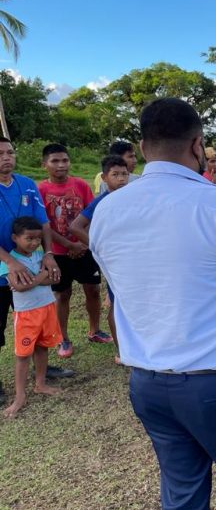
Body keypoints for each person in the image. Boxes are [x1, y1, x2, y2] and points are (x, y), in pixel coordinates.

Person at [91, 97, 216, 510]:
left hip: (148, 383)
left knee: (182, 500)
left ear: (142, 148)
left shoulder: (107, 210)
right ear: (197, 145)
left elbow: (120, 287)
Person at [0, 137, 69, 406]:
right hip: (6, 268)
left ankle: (41, 375)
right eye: (1, 153)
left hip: (32, 265)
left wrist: (49, 254)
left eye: (10, 152)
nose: (7, 157)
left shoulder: (27, 184)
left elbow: (44, 223)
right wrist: (11, 262)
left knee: (37, 320)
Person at [39, 143, 109, 358]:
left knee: (93, 290)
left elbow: (91, 215)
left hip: (84, 248)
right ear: (45, 165)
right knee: (62, 294)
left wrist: (83, 244)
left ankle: (94, 330)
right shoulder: (40, 190)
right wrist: (69, 245)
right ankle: (64, 338)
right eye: (55, 161)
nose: (61, 165)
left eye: (65, 160)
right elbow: (44, 224)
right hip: (58, 252)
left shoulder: (80, 185)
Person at [69, 155, 130, 363]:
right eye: (115, 175)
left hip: (133, 258)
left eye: (124, 174)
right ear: (104, 178)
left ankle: (134, 345)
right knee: (117, 303)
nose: (121, 179)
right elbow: (76, 227)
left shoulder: (132, 196)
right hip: (114, 261)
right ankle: (121, 351)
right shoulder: (102, 202)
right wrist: (99, 247)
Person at [1, 217, 63, 418]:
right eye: (29, 238)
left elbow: (53, 278)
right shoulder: (9, 262)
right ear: (15, 238)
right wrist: (40, 277)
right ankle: (20, 396)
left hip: (46, 308)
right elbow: (19, 286)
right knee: (23, 355)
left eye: (37, 238)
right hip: (27, 315)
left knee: (42, 347)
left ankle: (40, 384)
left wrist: (36, 280)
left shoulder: (40, 255)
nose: (35, 242)